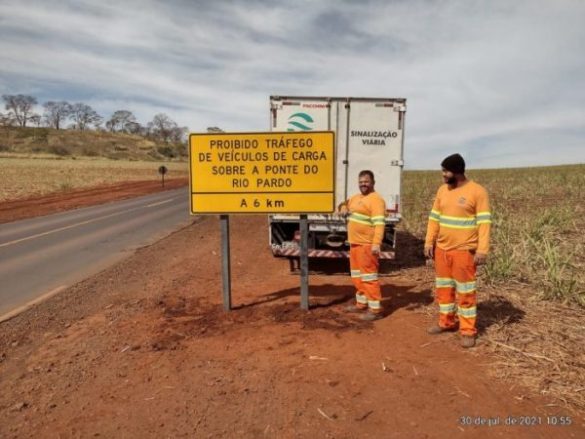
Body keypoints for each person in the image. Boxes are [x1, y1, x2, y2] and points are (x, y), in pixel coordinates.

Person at [424, 153, 492, 348]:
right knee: (444, 290)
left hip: (464, 252)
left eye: (445, 171)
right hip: (442, 250)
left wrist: (482, 250)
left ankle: (468, 331)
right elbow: (434, 218)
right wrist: (429, 242)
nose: (443, 175)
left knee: (466, 292)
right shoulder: (442, 191)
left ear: (456, 171)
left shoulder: (477, 192)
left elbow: (484, 223)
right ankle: (446, 322)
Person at [339, 170, 386, 321]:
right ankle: (361, 303)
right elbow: (343, 204)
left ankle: (375, 310)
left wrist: (376, 244)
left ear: (373, 182)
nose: (363, 184)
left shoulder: (376, 200)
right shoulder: (355, 198)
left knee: (369, 277)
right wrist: (343, 208)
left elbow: (379, 224)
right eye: (360, 182)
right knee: (357, 277)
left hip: (367, 245)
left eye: (366, 181)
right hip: (354, 244)